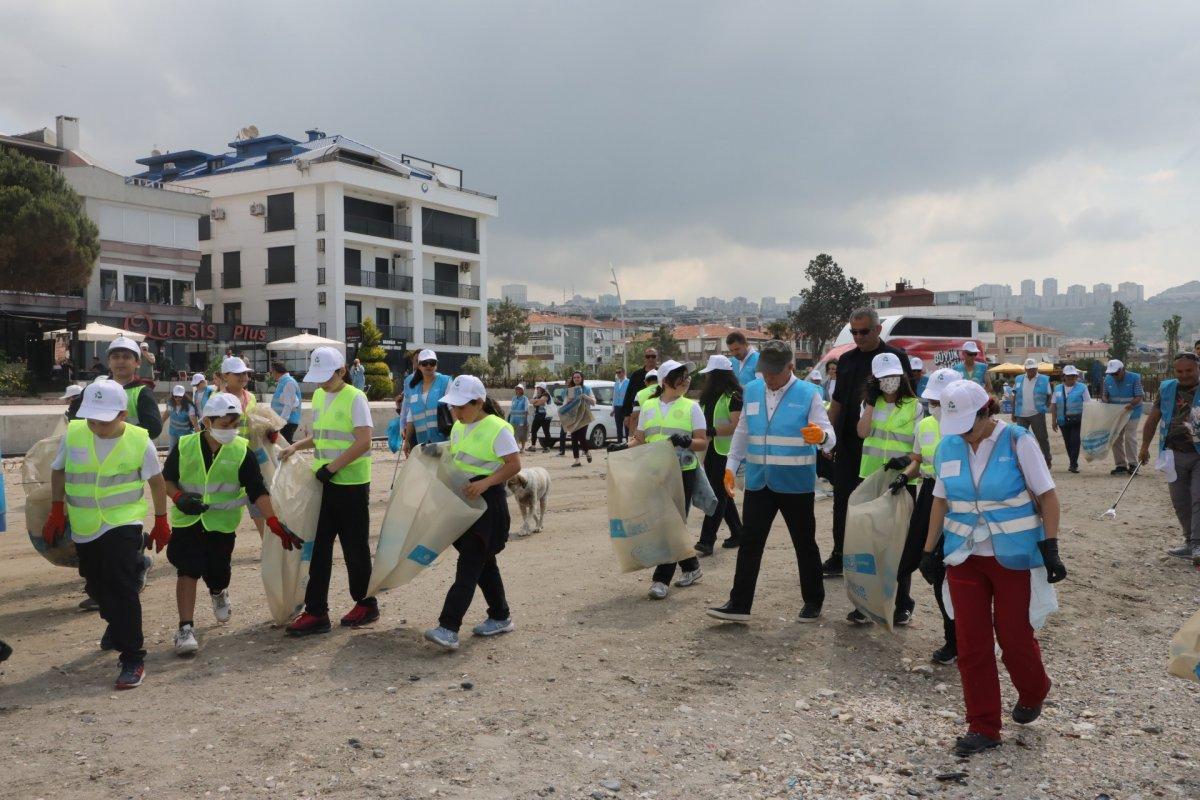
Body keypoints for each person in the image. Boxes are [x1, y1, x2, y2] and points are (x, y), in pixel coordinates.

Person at [919, 380, 1064, 757]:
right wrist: (929, 550)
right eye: (957, 429)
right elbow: (940, 501)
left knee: (1014, 636)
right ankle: (983, 725)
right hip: (964, 558)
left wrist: (1051, 547)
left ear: (986, 411)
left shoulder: (1018, 441)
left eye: (969, 426)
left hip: (1013, 556)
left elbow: (1047, 495)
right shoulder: (949, 445)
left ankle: (1034, 688)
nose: (963, 436)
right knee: (971, 643)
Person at [44, 379, 170, 689]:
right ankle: (115, 623)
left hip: (123, 523)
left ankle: (133, 657)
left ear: (123, 415)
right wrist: (56, 509)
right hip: (86, 525)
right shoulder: (74, 434)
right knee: (95, 584)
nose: (96, 426)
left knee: (122, 586)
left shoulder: (140, 441)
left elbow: (156, 482)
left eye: (103, 421)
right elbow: (58, 470)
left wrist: (161, 520)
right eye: (91, 419)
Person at [707, 340, 834, 624]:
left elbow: (828, 432)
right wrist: (730, 466)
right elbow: (742, 431)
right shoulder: (751, 390)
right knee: (750, 542)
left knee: (804, 543)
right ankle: (739, 603)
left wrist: (822, 437)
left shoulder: (809, 393)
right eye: (766, 372)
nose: (770, 379)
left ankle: (813, 600)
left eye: (776, 373)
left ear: (791, 367)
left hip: (795, 483)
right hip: (758, 481)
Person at [164, 392, 302, 654]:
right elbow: (167, 480)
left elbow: (257, 490)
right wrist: (179, 497)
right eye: (224, 425)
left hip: (222, 524)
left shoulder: (241, 451)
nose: (230, 430)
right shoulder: (184, 446)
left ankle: (218, 591)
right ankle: (185, 628)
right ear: (207, 422)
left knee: (218, 572)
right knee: (188, 568)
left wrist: (273, 521)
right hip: (188, 520)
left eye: (234, 424)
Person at [281, 346, 377, 635]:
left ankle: (366, 603)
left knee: (354, 548)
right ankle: (316, 611)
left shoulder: (356, 397)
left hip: (350, 485)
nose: (323, 382)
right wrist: (297, 446)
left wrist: (333, 468)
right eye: (319, 377)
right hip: (323, 483)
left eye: (328, 376)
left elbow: (364, 441)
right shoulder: (321, 396)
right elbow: (322, 437)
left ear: (342, 371)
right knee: (319, 548)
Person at [423, 376, 521, 650]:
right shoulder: (458, 426)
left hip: (488, 506)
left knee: (469, 565)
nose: (455, 412)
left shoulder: (498, 428)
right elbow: (457, 458)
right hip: (466, 503)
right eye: (452, 407)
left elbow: (514, 465)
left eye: (460, 407)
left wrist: (486, 482)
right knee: (484, 564)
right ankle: (500, 616)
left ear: (478, 403)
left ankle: (448, 626)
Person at [68, 336, 163, 610]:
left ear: (136, 362)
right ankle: (114, 578)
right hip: (94, 465)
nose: (120, 361)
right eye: (115, 356)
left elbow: (154, 428)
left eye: (126, 356)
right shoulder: (95, 389)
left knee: (124, 520)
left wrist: (122, 429)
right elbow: (75, 418)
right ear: (108, 361)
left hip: (126, 466)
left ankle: (125, 577)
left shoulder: (141, 392)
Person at [825, 307, 912, 577]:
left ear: (877, 329)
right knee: (843, 500)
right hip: (848, 444)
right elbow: (837, 402)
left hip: (880, 448)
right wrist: (828, 437)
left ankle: (877, 559)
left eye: (863, 332)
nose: (858, 337)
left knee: (877, 505)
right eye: (854, 332)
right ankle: (840, 553)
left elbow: (908, 402)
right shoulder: (847, 359)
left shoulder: (895, 359)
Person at [888, 368, 961, 661]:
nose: (936, 407)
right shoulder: (927, 425)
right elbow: (918, 460)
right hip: (930, 495)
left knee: (949, 570)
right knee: (921, 560)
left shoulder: (970, 429)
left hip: (958, 499)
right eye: (932, 401)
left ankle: (955, 639)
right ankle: (900, 606)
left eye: (942, 402)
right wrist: (905, 476)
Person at [846, 351, 921, 625]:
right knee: (870, 543)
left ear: (901, 377)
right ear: (875, 381)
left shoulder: (915, 406)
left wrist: (908, 462)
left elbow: (918, 447)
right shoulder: (870, 404)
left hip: (903, 481)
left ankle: (903, 602)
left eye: (893, 377)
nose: (889, 382)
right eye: (883, 378)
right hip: (871, 478)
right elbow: (862, 433)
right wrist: (870, 404)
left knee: (899, 544)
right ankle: (867, 605)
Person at [632, 360, 707, 598]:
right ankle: (691, 567)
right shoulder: (649, 406)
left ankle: (661, 580)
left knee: (671, 525)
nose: (686, 381)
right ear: (665, 381)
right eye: (680, 377)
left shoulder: (692, 408)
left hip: (683, 473)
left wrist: (687, 442)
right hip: (655, 473)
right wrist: (622, 447)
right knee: (663, 524)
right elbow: (640, 439)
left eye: (687, 377)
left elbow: (702, 442)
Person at [1137, 352, 1200, 563]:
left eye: (1189, 371)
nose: (1184, 375)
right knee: (1180, 501)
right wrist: (1144, 447)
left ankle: (1198, 545)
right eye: (1180, 371)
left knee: (1198, 498)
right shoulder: (1167, 389)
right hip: (1173, 453)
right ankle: (1189, 541)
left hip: (1198, 454)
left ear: (1197, 369)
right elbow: (1153, 420)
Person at [694, 355, 745, 554]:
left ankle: (707, 540)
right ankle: (738, 532)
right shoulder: (708, 398)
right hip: (711, 452)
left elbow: (735, 425)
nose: (707, 379)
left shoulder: (734, 396)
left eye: (709, 375)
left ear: (717, 376)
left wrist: (710, 432)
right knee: (723, 493)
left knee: (718, 494)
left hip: (727, 452)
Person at [220, 356, 269, 541]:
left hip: (250, 456)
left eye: (245, 374)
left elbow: (255, 422)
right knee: (226, 501)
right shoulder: (219, 399)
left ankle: (266, 539)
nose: (243, 377)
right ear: (226, 376)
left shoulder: (251, 397)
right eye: (238, 374)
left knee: (257, 498)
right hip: (227, 457)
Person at [403, 349, 452, 454]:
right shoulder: (414, 388)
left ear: (436, 365)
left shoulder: (445, 381)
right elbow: (411, 417)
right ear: (419, 366)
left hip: (445, 442)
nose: (428, 366)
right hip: (424, 444)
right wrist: (406, 441)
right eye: (424, 363)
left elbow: (453, 409)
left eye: (432, 363)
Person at [1102, 358, 1144, 475]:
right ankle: (1120, 465)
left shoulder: (1135, 377)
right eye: (1111, 373)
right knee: (1116, 438)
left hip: (1132, 412)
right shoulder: (1107, 379)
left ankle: (1133, 464)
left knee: (1130, 437)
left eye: (1116, 373)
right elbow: (1105, 395)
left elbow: (1139, 396)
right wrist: (1105, 401)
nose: (1114, 376)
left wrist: (1130, 405)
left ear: (1123, 370)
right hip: (1116, 413)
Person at [1012, 358, 1052, 467]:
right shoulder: (1019, 379)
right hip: (1021, 414)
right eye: (1029, 369)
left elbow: (1049, 395)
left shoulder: (1044, 379)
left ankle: (1047, 457)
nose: (1031, 371)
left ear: (1036, 368)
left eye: (1033, 369)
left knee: (1042, 437)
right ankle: (1023, 460)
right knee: (1021, 438)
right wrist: (1013, 412)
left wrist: (1045, 407)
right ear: (1025, 368)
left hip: (1037, 413)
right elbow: (1014, 396)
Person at [1051, 365, 1089, 473]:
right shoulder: (1057, 389)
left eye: (1073, 376)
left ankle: (1073, 464)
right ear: (1064, 376)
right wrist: (1053, 421)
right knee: (1068, 443)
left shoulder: (1083, 387)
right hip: (1063, 420)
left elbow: (1088, 404)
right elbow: (1053, 405)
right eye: (1069, 376)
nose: (1071, 378)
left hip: (1078, 420)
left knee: (1075, 441)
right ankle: (1072, 462)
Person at [619, 348, 659, 438]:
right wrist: (626, 415)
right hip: (636, 415)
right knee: (635, 441)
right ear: (644, 358)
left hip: (656, 416)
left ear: (657, 358)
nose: (650, 359)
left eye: (653, 356)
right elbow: (629, 395)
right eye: (648, 356)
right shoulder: (636, 375)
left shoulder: (662, 373)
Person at [560, 371, 595, 467]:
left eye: (578, 377)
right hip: (574, 417)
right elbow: (568, 404)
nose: (576, 379)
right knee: (574, 438)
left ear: (582, 378)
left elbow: (593, 402)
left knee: (581, 437)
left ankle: (587, 452)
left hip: (584, 416)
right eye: (574, 377)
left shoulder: (587, 389)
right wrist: (568, 401)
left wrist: (585, 396)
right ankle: (577, 460)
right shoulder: (571, 390)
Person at [270, 361, 303, 443]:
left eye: (271, 372)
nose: (271, 374)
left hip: (287, 423)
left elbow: (288, 405)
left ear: (274, 371)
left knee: (285, 449)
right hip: (284, 422)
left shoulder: (289, 383)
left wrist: (281, 422)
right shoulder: (283, 382)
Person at [162, 385, 198, 451]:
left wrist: (197, 429)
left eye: (180, 397)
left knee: (184, 451)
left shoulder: (189, 407)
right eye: (176, 396)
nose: (178, 399)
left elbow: (193, 419)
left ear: (183, 396)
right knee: (172, 451)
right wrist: (161, 423)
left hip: (185, 434)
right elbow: (167, 413)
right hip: (173, 432)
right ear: (173, 396)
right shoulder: (170, 404)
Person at [528, 384, 553, 452]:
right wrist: (537, 401)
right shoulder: (538, 396)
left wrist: (536, 401)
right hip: (538, 415)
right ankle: (533, 446)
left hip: (545, 416)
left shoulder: (546, 394)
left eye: (539, 388)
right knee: (533, 430)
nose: (537, 389)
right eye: (537, 388)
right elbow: (531, 401)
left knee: (546, 431)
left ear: (542, 389)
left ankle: (547, 447)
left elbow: (541, 402)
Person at [507, 383, 529, 451]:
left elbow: (526, 410)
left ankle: (523, 448)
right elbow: (511, 409)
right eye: (517, 389)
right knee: (513, 433)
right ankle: (516, 447)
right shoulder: (514, 398)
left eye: (519, 389)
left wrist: (524, 420)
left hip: (521, 420)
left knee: (522, 433)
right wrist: (509, 418)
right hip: (513, 419)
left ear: (522, 390)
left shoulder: (525, 399)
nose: (518, 390)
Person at [612, 368, 630, 444]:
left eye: (619, 372)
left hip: (625, 407)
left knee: (627, 426)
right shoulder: (616, 383)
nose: (618, 374)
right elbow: (614, 396)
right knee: (618, 426)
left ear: (624, 372)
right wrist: (613, 408)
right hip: (617, 407)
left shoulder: (629, 382)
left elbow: (630, 396)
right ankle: (619, 442)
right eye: (617, 372)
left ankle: (628, 442)